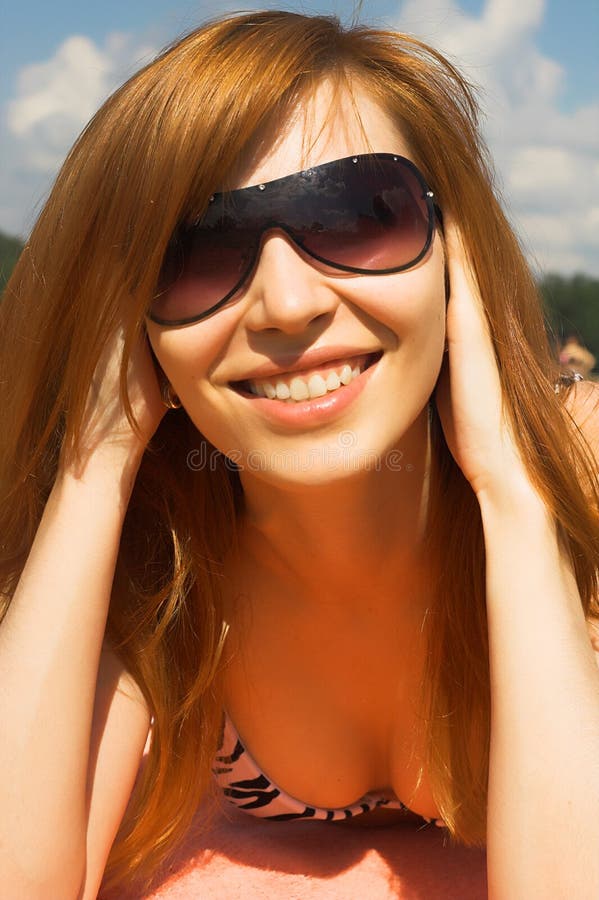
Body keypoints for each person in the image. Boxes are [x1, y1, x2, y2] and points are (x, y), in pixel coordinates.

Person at [1, 10, 599, 899]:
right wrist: (98, 468)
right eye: (194, 252)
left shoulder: (579, 471)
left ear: (453, 250)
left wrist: (511, 494)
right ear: (131, 319)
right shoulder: (158, 561)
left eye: (358, 217)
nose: (284, 303)